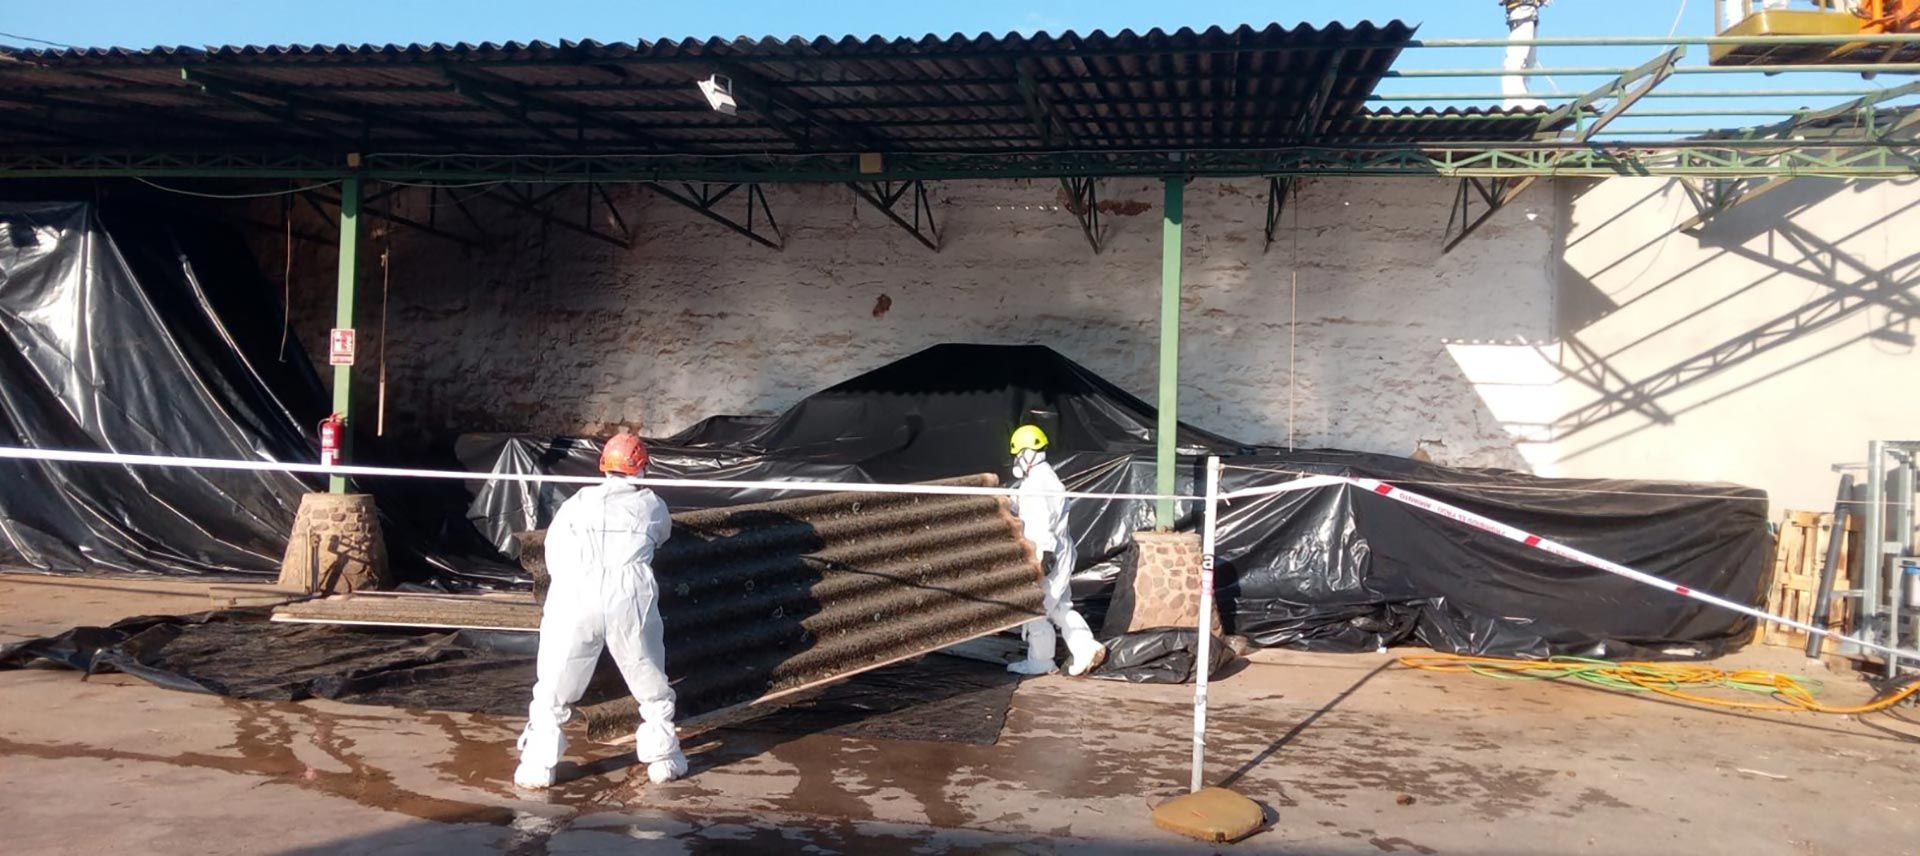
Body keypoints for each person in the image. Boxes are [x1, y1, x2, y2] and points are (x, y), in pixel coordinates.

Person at [514, 430, 687, 789]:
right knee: (648, 674)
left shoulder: (577, 502)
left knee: (556, 679)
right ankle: (663, 760)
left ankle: (538, 766)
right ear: (642, 467)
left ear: (603, 465)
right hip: (629, 593)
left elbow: (553, 551)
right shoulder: (651, 505)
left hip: (575, 591)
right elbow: (663, 535)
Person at [1006, 424, 1106, 677]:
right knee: (1060, 606)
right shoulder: (1044, 478)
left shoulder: (1036, 485)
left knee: (1035, 609)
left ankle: (1041, 661)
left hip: (1046, 555)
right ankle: (1085, 647)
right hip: (1060, 553)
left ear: (1027, 453)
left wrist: (1042, 558)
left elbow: (1040, 522)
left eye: (1017, 455)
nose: (1016, 461)